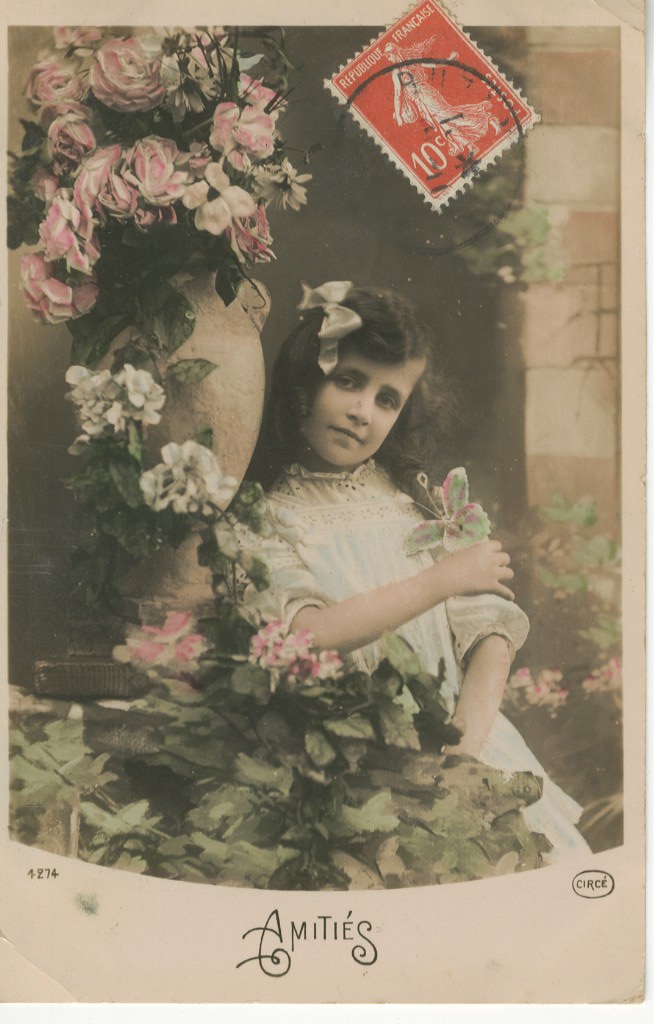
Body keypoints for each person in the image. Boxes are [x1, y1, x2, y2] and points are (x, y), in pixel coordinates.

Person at [244, 280, 590, 863]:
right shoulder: (268, 516)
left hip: (459, 754)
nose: (362, 411)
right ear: (305, 382)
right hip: (348, 767)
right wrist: (441, 580)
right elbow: (306, 633)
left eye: (387, 399)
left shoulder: (419, 505)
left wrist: (465, 754)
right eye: (348, 381)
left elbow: (491, 633)